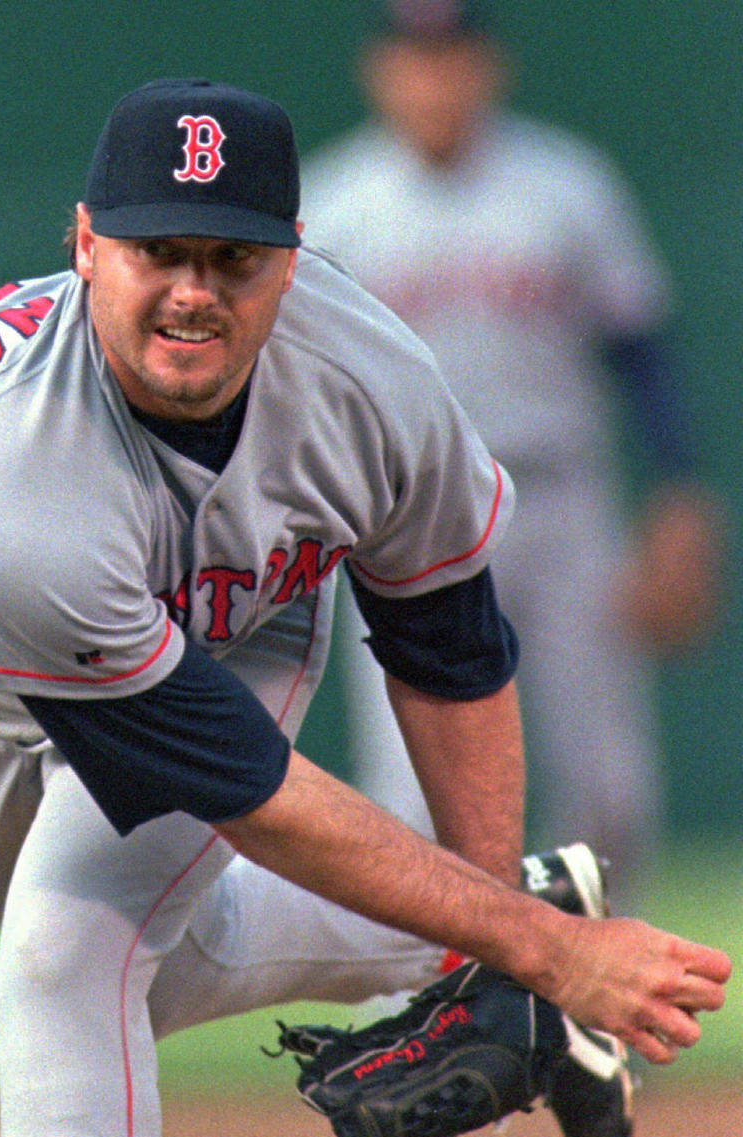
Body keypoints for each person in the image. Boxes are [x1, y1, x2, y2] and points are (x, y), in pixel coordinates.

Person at [0, 78, 729, 1137]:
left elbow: (447, 650)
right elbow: (242, 790)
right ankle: (537, 898)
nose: (194, 292)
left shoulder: (372, 379)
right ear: (84, 245)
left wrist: (505, 955)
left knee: (71, 961)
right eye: (158, 250)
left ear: (294, 259)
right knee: (161, 970)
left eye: (235, 257)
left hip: (244, 614)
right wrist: (540, 942)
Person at [301, 0, 724, 904]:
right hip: (404, 522)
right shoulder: (333, 205)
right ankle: (437, 1019)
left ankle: (597, 1015)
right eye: (415, 57)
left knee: (609, 788)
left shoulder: (568, 185)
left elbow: (640, 351)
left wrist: (682, 495)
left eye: (452, 55)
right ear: (379, 71)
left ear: (489, 66)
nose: (434, 77)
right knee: (411, 804)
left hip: (559, 503)